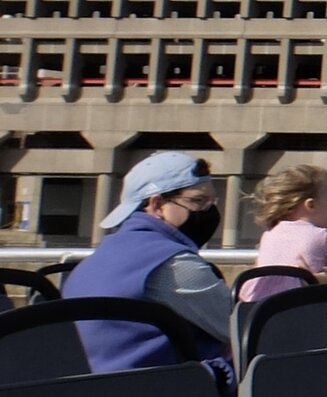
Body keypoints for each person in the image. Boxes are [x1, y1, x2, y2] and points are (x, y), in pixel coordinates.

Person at [62, 151, 234, 380]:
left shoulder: (93, 261)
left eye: (212, 201)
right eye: (197, 201)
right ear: (157, 205)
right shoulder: (172, 263)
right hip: (166, 385)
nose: (209, 211)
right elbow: (240, 329)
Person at [239, 165, 327, 301]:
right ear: (311, 205)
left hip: (258, 306)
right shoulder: (322, 236)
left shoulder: (270, 234)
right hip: (298, 308)